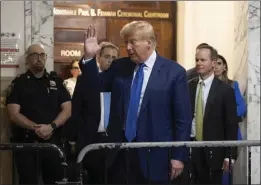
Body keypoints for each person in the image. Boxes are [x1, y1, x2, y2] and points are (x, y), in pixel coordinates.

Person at [80, 22, 192, 183]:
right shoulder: (119, 66)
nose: (128, 47)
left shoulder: (174, 72)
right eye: (126, 42)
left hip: (156, 157)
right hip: (120, 154)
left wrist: (178, 156)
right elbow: (94, 86)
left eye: (132, 42)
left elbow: (183, 119)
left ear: (149, 42)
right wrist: (90, 58)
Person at [6, 44, 71, 184]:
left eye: (42, 55)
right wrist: (37, 128)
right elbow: (13, 113)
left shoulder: (57, 82)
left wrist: (51, 126)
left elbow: (67, 109)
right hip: (27, 144)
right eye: (35, 55)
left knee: (55, 181)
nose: (39, 58)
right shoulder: (19, 83)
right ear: (27, 59)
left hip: (53, 144)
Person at [187, 45, 238, 184]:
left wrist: (230, 155)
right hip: (191, 147)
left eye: (203, 60)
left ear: (213, 63)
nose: (198, 63)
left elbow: (231, 124)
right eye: (197, 60)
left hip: (214, 150)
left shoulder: (225, 90)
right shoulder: (188, 86)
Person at [72, 41, 119, 183]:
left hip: (113, 142)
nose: (111, 60)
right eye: (107, 56)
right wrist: (73, 140)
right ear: (98, 58)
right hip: (90, 140)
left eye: (114, 58)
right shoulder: (85, 80)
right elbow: (76, 110)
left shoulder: (121, 82)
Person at [214, 54, 247, 185]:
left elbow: (242, 107)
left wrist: (226, 116)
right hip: (212, 132)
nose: (216, 66)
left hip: (231, 132)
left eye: (220, 63)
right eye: (214, 63)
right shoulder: (204, 86)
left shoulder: (233, 85)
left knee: (227, 170)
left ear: (224, 67)